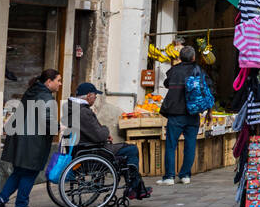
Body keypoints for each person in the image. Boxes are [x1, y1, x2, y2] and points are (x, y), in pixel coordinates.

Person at [0, 69, 61, 207]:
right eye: (58, 80)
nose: (60, 84)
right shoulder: (45, 96)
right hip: (33, 141)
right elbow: (46, 119)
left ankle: (1, 199)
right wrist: (60, 128)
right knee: (30, 171)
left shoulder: (32, 91)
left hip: (21, 138)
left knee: (19, 171)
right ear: (49, 82)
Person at [68, 83, 150, 199]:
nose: (95, 98)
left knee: (127, 149)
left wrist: (102, 134)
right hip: (93, 150)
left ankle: (136, 187)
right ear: (88, 95)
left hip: (86, 147)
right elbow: (99, 135)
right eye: (95, 96)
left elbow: (92, 132)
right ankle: (134, 187)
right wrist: (106, 130)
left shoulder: (75, 110)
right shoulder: (84, 112)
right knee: (131, 149)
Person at [157, 45, 203, 185]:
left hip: (176, 113)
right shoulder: (198, 70)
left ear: (179, 57)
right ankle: (185, 175)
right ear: (193, 57)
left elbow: (166, 83)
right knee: (190, 144)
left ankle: (169, 177)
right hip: (193, 113)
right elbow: (207, 87)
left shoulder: (174, 70)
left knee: (171, 145)